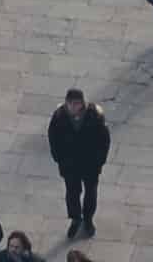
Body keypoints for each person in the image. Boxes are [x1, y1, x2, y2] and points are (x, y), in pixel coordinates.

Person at [47, 90, 110, 242]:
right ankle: (75, 218)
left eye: (77, 103)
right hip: (70, 165)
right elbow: (53, 139)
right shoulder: (59, 117)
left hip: (90, 164)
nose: (74, 107)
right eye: (71, 103)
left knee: (90, 192)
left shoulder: (94, 115)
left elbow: (104, 140)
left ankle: (88, 219)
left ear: (82, 103)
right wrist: (59, 159)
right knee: (72, 192)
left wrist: (99, 161)